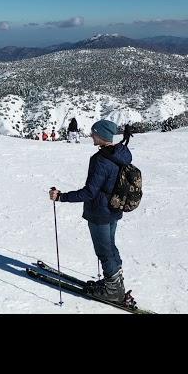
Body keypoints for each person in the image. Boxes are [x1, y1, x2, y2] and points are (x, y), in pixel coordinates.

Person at [48, 119, 132, 303]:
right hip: (113, 209)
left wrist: (61, 196)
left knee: (104, 251)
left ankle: (113, 291)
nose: (92, 135)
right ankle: (116, 283)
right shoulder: (120, 154)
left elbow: (89, 192)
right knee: (110, 247)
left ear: (101, 135)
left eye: (94, 133)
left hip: (99, 213)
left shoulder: (100, 160)